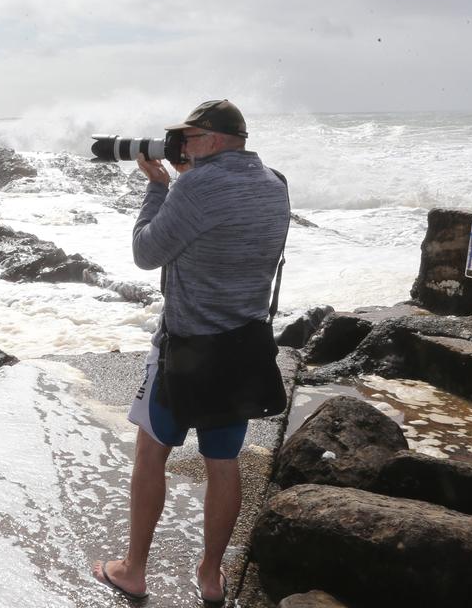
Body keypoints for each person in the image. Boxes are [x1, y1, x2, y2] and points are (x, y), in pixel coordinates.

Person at [91, 99, 290, 604]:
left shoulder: (195, 187)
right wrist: (184, 177)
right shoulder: (276, 184)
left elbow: (145, 252)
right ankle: (209, 575)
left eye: (191, 138)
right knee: (223, 462)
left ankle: (134, 570)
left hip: (185, 349)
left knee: (151, 453)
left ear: (218, 140)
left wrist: (159, 188)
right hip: (241, 350)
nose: (182, 146)